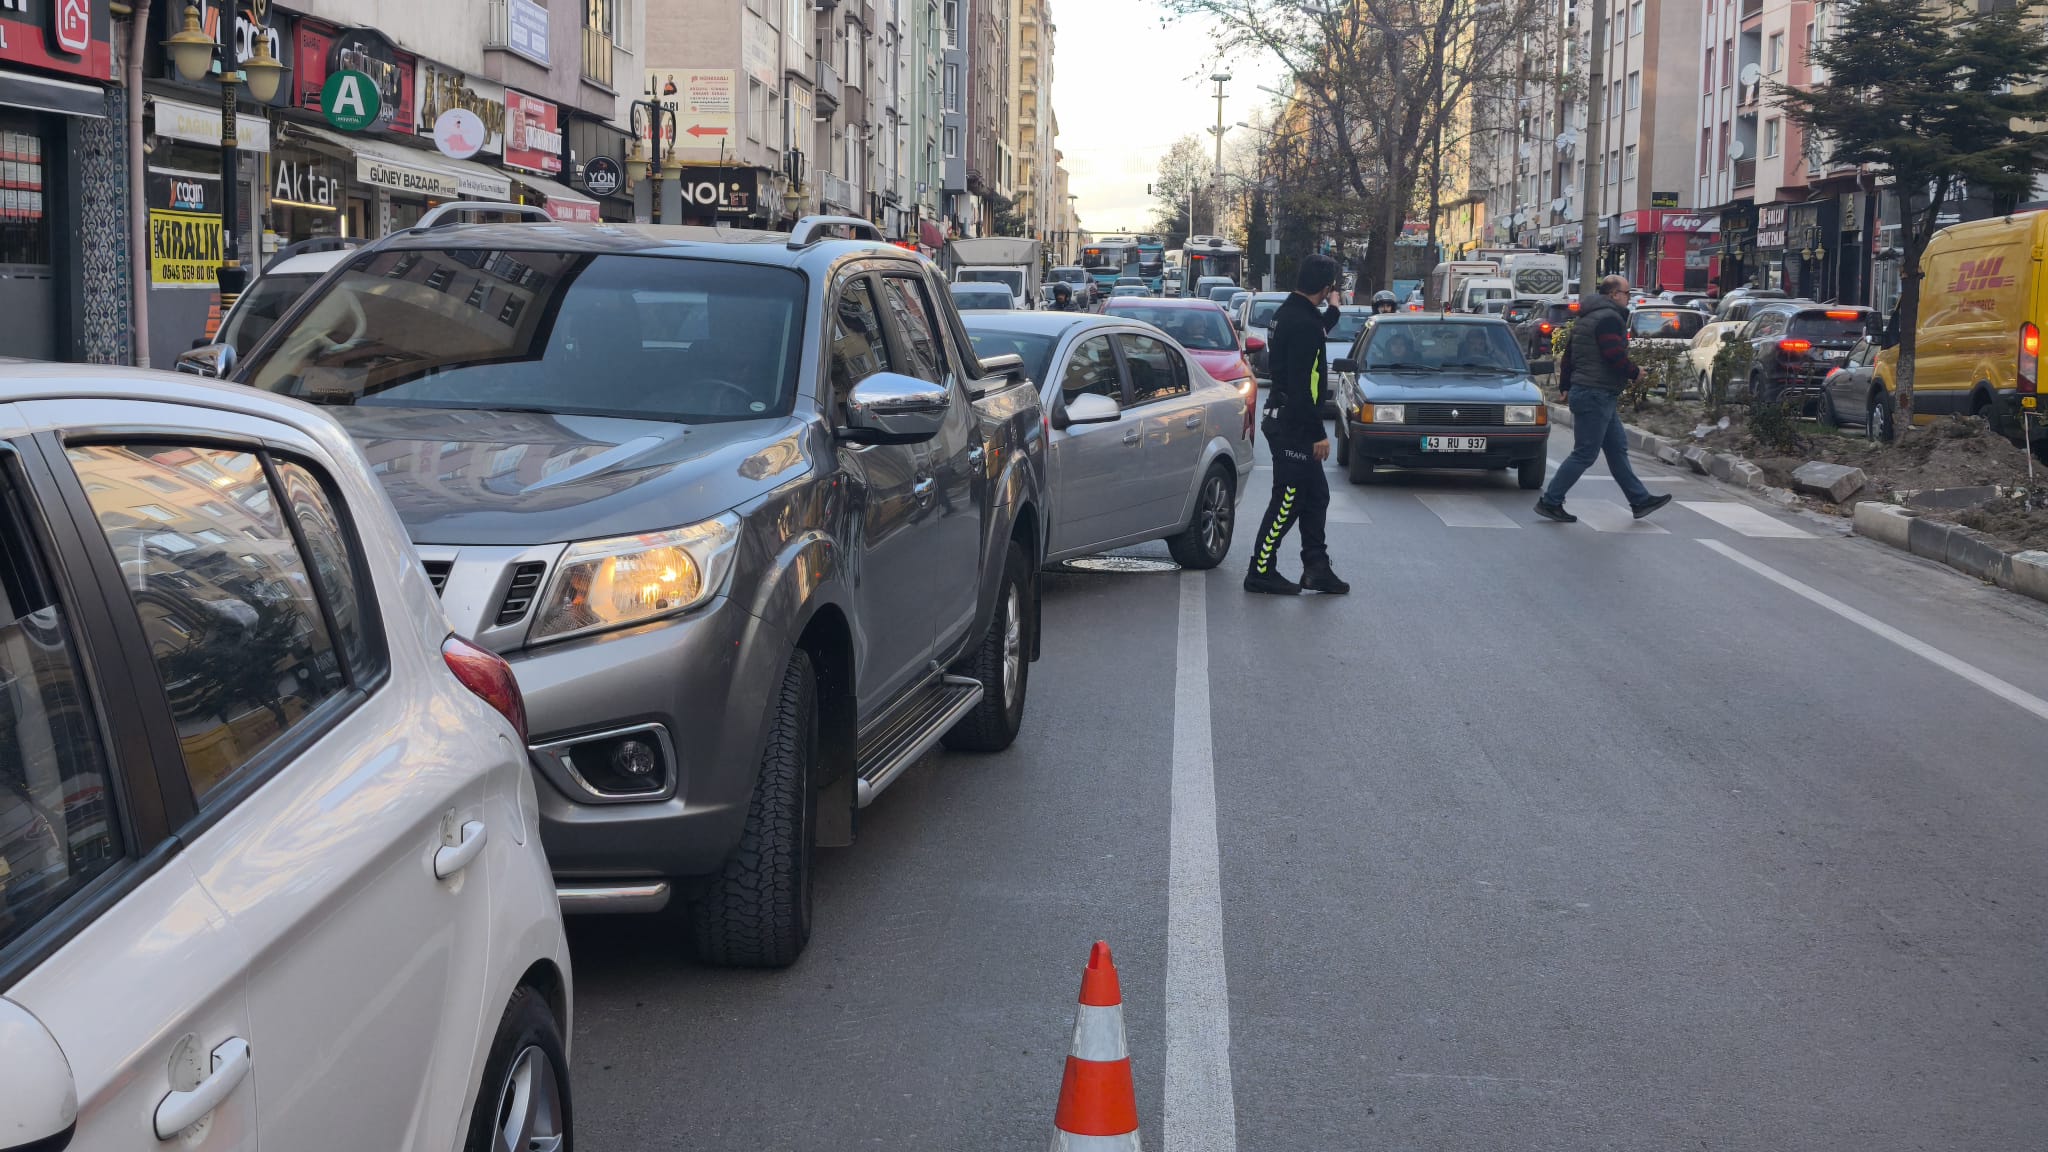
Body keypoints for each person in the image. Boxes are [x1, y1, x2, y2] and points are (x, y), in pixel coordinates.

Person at [1246, 254, 1351, 595]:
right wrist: (1318, 433)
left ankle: (1316, 568)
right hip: (1294, 425)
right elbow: (1301, 385)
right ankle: (1261, 570)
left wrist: (1333, 309)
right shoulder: (1304, 323)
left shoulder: (1291, 313)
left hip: (1287, 419)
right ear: (1326, 287)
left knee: (1316, 495)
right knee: (1288, 498)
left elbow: (1316, 328)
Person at [1534, 275, 1674, 524]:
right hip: (1595, 393)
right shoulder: (1609, 319)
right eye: (1626, 293)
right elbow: (1613, 353)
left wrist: (1566, 384)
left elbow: (1569, 356)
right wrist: (1634, 372)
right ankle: (1550, 501)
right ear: (1613, 295)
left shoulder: (1587, 317)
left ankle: (1639, 500)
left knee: (1617, 449)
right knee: (1585, 454)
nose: (1628, 297)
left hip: (1596, 393)